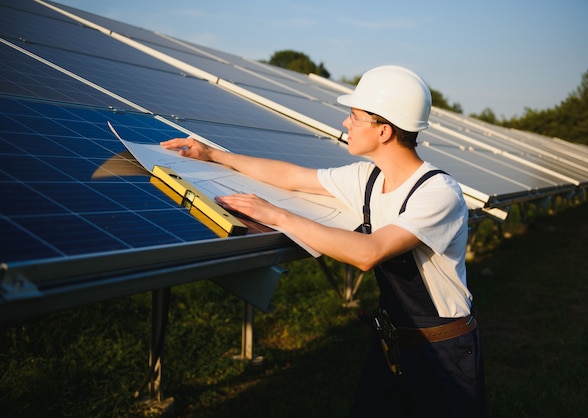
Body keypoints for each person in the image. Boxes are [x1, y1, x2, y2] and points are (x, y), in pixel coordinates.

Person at [161, 65, 487, 417]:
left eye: (354, 116)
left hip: (443, 352)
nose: (346, 123)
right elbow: (292, 176)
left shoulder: (438, 193)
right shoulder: (367, 177)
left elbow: (370, 252)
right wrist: (214, 155)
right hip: (394, 342)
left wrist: (278, 216)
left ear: (384, 130)